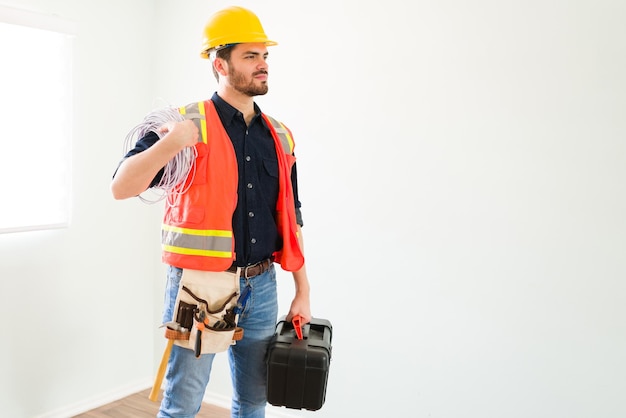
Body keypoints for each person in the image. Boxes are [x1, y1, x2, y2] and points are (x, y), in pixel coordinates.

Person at [110, 6, 311, 418]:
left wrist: (302, 291)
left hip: (263, 284)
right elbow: (121, 186)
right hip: (201, 288)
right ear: (220, 64)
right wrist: (171, 143)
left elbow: (292, 217)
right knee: (183, 403)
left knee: (253, 400)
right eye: (251, 57)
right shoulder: (185, 124)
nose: (263, 66)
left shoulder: (281, 136)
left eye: (265, 56)